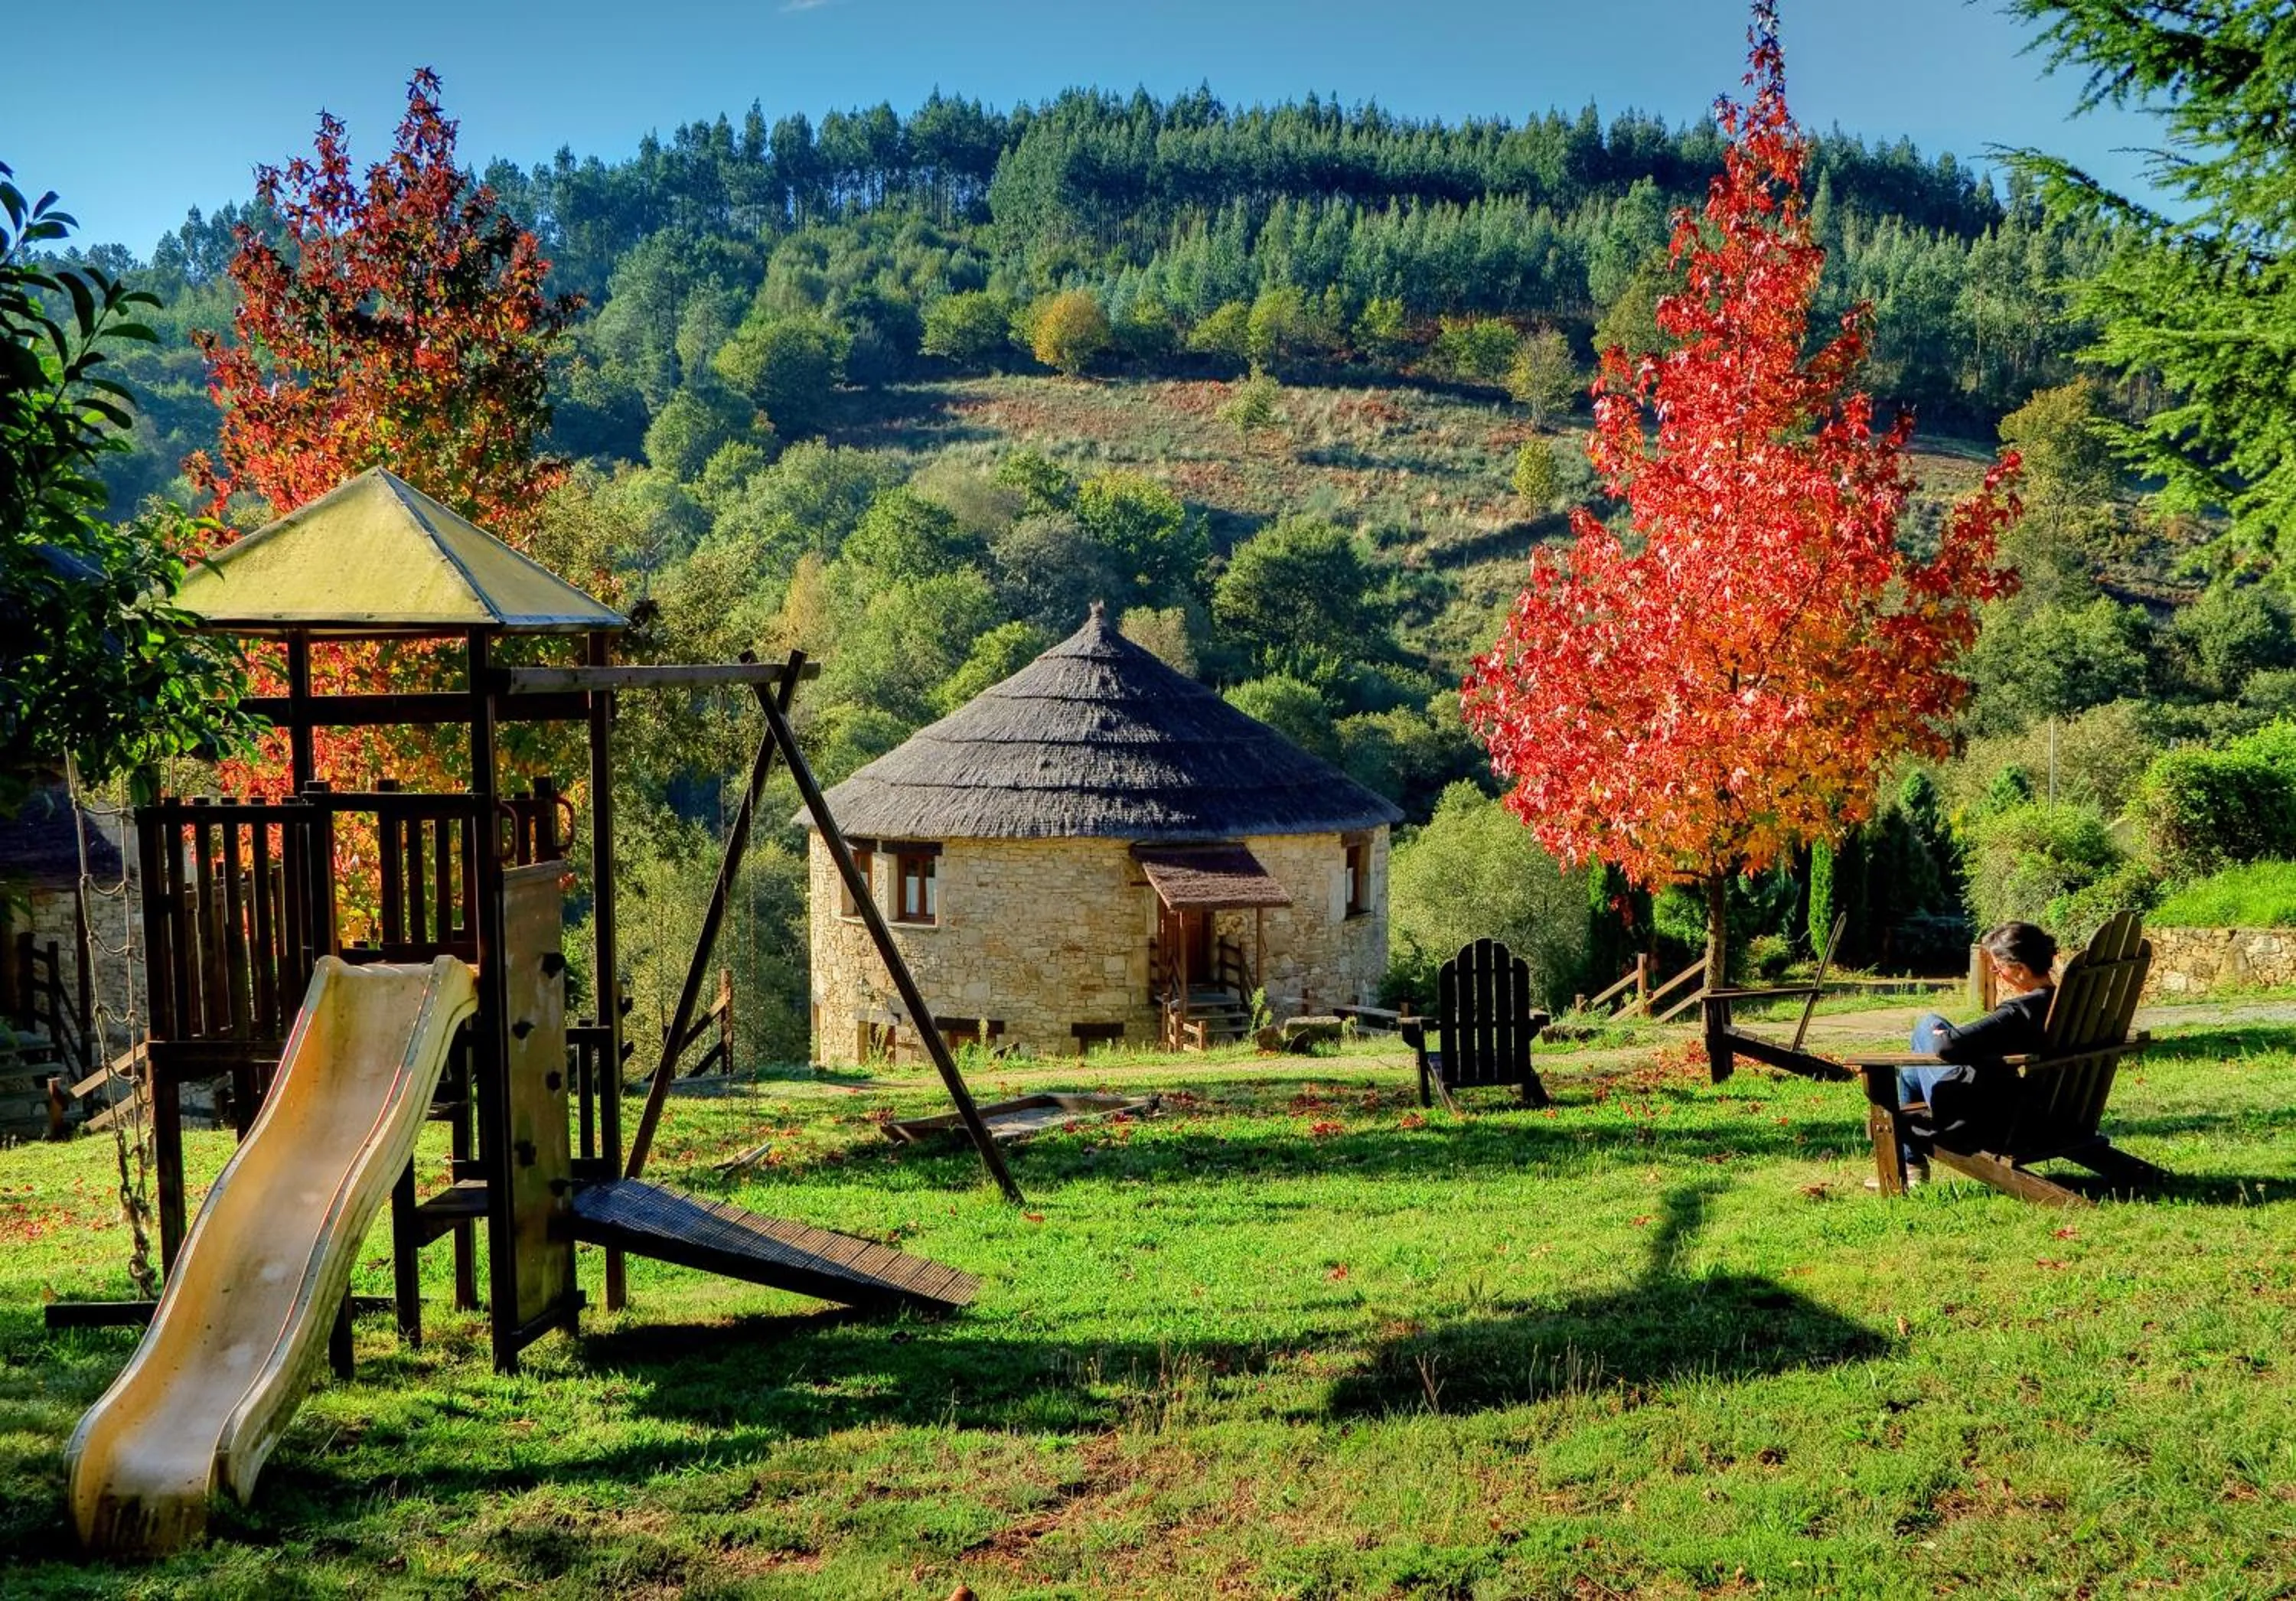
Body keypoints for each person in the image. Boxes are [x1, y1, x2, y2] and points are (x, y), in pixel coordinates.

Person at [1881, 921, 2058, 1187]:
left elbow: (1947, 1047)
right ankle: (1913, 1164)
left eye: (1998, 967)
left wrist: (1940, 1031)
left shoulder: (2018, 1011)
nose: (1995, 972)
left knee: (1928, 1023)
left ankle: (1912, 1164)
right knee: (1908, 1073)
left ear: (2020, 969)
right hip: (2047, 1114)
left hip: (1981, 1121)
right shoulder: (2066, 1003)